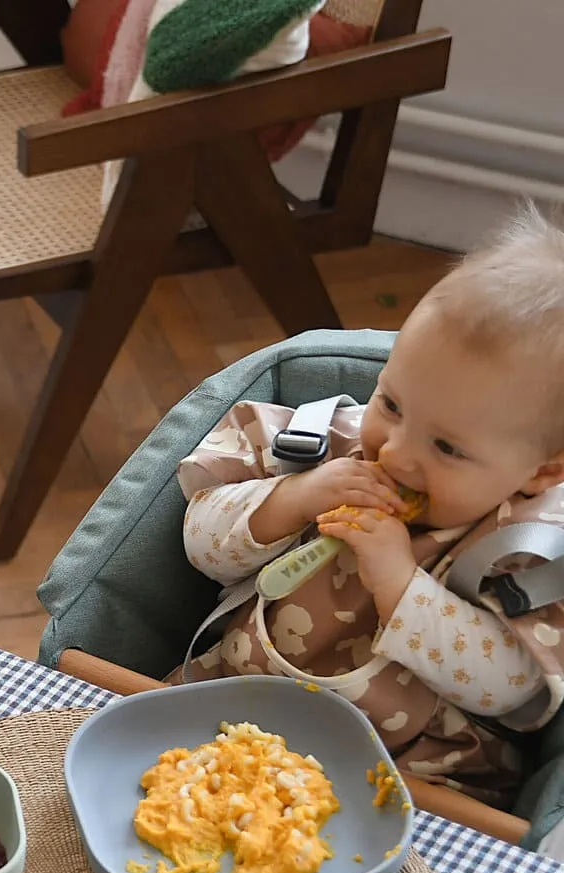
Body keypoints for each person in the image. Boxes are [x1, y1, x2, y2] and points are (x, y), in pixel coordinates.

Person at [169, 205, 564, 806]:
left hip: (404, 781)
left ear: (543, 470)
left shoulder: (528, 548)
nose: (397, 454)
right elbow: (202, 545)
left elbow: (511, 688)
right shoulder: (320, 444)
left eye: (448, 447)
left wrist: (400, 581)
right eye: (393, 405)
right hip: (222, 707)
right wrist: (294, 497)